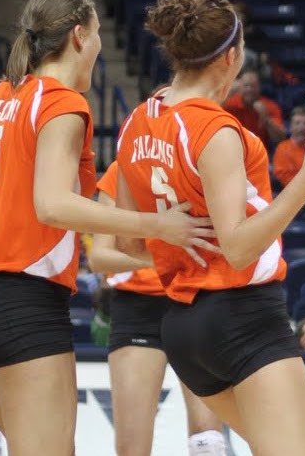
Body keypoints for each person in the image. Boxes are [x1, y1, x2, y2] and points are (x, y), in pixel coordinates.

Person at [0, 0, 212, 456]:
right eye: (95, 35)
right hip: (22, 303)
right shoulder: (62, 104)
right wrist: (159, 227)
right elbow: (51, 205)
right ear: (79, 36)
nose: (97, 46)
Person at [113, 0, 305, 456]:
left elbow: (128, 243)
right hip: (244, 318)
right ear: (232, 57)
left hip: (182, 326)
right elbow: (238, 249)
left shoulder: (137, 121)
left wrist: (175, 234)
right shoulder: (215, 129)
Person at [88, 162, 227, 456]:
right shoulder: (121, 170)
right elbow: (99, 257)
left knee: (208, 441)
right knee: (132, 447)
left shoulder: (196, 162)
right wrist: (161, 259)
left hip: (193, 301)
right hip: (137, 308)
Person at [223, 68, 286, 149]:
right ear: (239, 87)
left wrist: (266, 119)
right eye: (246, 86)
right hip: (231, 148)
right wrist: (228, 93)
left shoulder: (270, 106)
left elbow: (281, 139)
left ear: (259, 87)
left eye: (253, 86)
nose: (249, 89)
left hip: (258, 152)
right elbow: (210, 113)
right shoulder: (230, 102)